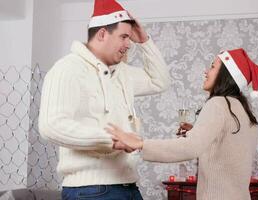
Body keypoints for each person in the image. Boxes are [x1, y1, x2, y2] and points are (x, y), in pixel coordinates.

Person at [38, 0, 171, 199]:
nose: (129, 44)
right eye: (124, 37)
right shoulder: (68, 69)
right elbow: (51, 125)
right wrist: (111, 140)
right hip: (91, 190)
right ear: (102, 34)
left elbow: (159, 81)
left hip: (128, 186)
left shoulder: (122, 73)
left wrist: (144, 41)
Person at [106, 48, 258, 200]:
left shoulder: (218, 104)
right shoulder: (243, 110)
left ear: (226, 75)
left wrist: (141, 144)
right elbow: (228, 148)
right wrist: (196, 131)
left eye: (213, 67)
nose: (206, 72)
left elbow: (190, 147)